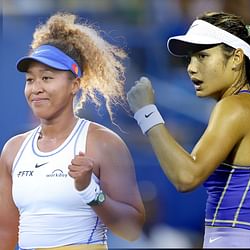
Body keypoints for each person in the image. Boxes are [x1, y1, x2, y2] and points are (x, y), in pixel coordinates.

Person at [126, 12, 250, 248]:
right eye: (190, 59)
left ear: (236, 58)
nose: (191, 68)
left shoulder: (234, 107)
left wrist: (146, 112)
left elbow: (186, 177)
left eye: (203, 56)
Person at [0, 13, 145, 250]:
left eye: (46, 78)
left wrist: (90, 191)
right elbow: (5, 232)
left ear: (74, 85)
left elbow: (132, 229)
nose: (36, 88)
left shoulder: (103, 143)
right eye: (29, 80)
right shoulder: (12, 150)